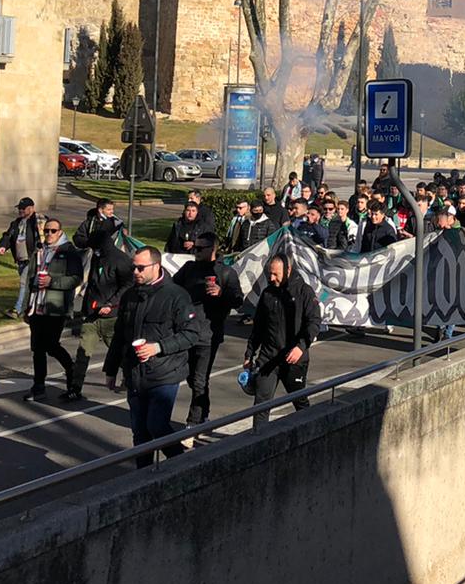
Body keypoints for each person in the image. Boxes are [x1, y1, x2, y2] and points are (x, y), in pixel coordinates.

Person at [105, 246, 203, 468]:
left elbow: (191, 333)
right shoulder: (130, 295)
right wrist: (111, 369)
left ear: (156, 266)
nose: (136, 272)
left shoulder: (176, 296)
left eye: (141, 268)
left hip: (164, 373)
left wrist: (158, 347)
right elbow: (120, 334)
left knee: (157, 426)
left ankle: (181, 463)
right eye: (134, 268)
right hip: (135, 374)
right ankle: (144, 476)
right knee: (140, 432)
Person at [169, 200, 238, 428]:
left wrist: (221, 294)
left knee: (199, 380)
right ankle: (204, 411)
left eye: (201, 249)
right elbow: (172, 287)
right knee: (190, 378)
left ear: (213, 250)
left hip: (209, 334)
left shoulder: (226, 273)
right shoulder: (189, 269)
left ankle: (194, 423)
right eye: (195, 248)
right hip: (187, 331)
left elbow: (238, 299)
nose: (196, 252)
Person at [242, 253, 321, 431]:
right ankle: (259, 439)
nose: (272, 278)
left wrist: (301, 347)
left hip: (293, 359)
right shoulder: (268, 293)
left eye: (276, 274)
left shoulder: (303, 292)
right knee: (261, 403)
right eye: (270, 273)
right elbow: (258, 328)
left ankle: (310, 432)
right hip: (268, 357)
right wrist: (249, 354)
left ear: (288, 270)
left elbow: (314, 322)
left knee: (299, 400)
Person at [72, 198, 132, 401]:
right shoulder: (97, 256)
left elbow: (127, 286)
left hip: (111, 317)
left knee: (118, 352)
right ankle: (75, 387)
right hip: (91, 315)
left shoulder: (121, 262)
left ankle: (129, 378)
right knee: (83, 352)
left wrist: (111, 304)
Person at [23, 218, 86, 402]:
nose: (49, 234)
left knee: (51, 345)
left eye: (53, 231)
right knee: (37, 349)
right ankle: (38, 386)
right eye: (47, 231)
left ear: (60, 232)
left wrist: (53, 282)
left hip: (55, 307)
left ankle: (71, 371)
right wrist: (27, 304)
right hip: (37, 306)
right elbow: (31, 277)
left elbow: (76, 279)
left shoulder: (68, 252)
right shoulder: (39, 250)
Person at [0, 196, 42, 318]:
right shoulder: (16, 223)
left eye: (23, 208)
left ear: (31, 208)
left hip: (32, 259)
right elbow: (8, 236)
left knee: (24, 283)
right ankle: (31, 307)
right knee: (28, 284)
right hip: (20, 260)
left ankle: (18, 310)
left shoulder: (38, 221)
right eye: (19, 208)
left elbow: (43, 237)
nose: (21, 211)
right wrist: (3, 246)